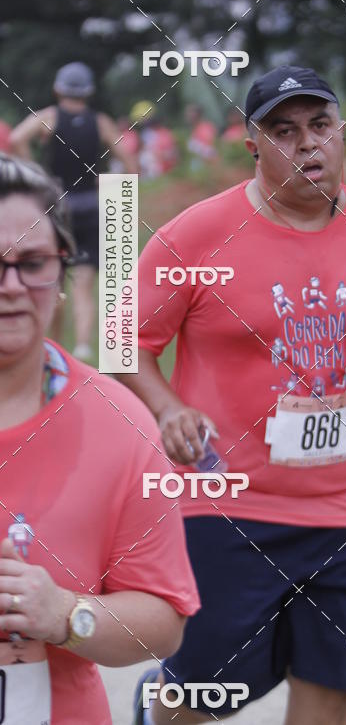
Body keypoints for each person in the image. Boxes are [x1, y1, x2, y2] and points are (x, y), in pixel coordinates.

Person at [123, 66, 346, 725]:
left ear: (340, 133)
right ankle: (157, 700)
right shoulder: (196, 235)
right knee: (203, 694)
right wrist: (168, 409)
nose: (307, 145)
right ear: (253, 145)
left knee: (329, 698)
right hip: (223, 507)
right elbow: (122, 343)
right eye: (284, 132)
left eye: (320, 126)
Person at [0, 152, 199, 724]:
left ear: (61, 279)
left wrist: (63, 613)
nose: (12, 286)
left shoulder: (119, 424)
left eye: (33, 262)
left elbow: (164, 621)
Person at [9, 62, 136, 360]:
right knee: (84, 282)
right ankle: (81, 346)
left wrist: (37, 174)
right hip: (92, 205)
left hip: (58, 204)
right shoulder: (101, 122)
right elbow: (131, 165)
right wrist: (109, 186)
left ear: (58, 89)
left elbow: (16, 139)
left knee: (55, 278)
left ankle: (53, 344)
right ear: (88, 92)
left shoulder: (50, 117)